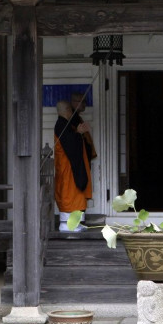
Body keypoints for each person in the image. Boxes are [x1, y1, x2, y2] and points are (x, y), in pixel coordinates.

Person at [54, 100, 92, 232]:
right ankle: (66, 225)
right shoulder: (61, 125)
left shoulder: (66, 124)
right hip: (68, 169)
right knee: (69, 194)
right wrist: (79, 134)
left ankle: (75, 223)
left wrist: (78, 133)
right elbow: (69, 143)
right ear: (66, 111)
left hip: (71, 168)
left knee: (76, 195)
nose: (71, 112)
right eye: (70, 110)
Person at [70, 92, 97, 160]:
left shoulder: (77, 117)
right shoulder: (72, 118)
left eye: (85, 101)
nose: (85, 104)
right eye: (82, 102)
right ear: (73, 102)